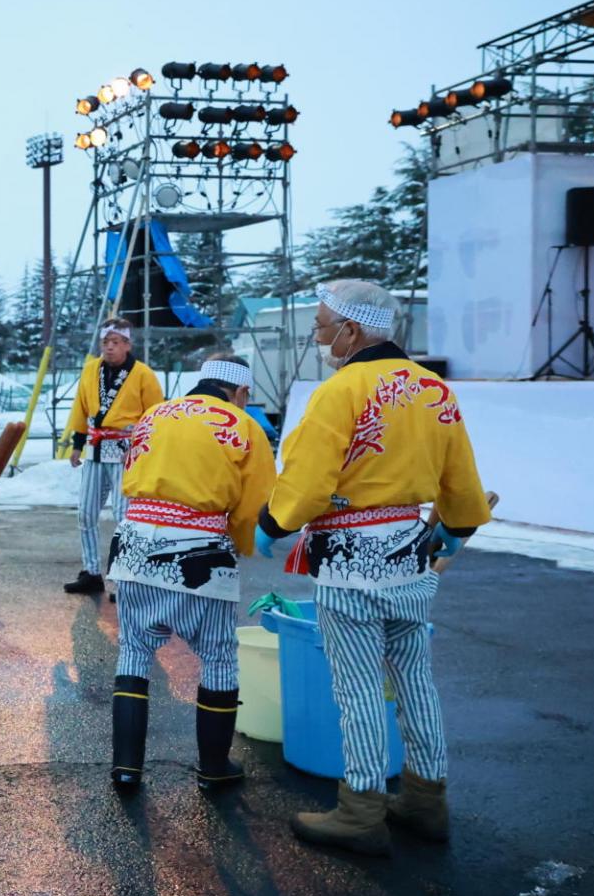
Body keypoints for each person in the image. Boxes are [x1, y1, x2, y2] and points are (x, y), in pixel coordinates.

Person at [257, 280, 491, 856]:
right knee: (415, 680)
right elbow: (460, 478)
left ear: (351, 330)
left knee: (358, 685)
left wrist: (270, 523)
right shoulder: (434, 389)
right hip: (411, 554)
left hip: (350, 561)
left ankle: (361, 810)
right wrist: (457, 529)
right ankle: (426, 799)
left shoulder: (342, 390)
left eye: (320, 325)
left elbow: (309, 481)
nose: (318, 336)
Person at [105, 356, 275, 793]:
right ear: (240, 393)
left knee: (134, 652)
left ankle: (126, 768)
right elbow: (254, 501)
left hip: (136, 545)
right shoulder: (242, 424)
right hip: (201, 554)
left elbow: (134, 474)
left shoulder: (154, 414)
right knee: (217, 658)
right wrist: (242, 543)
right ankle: (213, 768)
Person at [64, 318, 164, 598]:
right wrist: (77, 442)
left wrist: (142, 448)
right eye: (105, 342)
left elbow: (155, 415)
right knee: (85, 513)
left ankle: (126, 578)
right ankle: (91, 572)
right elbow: (80, 407)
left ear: (127, 344)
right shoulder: (89, 370)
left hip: (125, 449)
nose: (109, 347)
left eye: (115, 342)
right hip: (95, 446)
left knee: (123, 516)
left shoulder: (143, 374)